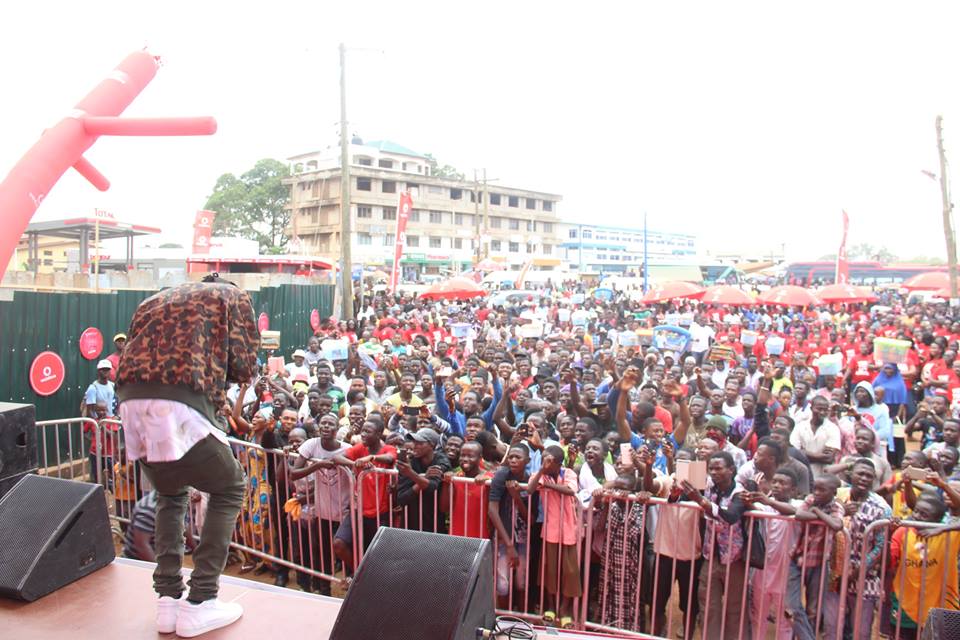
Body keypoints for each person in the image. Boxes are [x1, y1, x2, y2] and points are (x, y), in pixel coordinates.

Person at [116, 277, 257, 637]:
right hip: (181, 399)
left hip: (131, 400)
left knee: (169, 493)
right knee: (230, 486)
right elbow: (243, 361)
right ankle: (202, 599)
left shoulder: (154, 298)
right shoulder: (230, 295)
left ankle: (168, 600)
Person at [683, 451, 750, 640]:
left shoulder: (740, 492)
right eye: (711, 468)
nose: (714, 472)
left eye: (718, 468)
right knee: (708, 606)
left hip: (734, 559)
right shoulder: (709, 487)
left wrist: (701, 501)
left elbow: (731, 516)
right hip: (710, 556)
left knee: (734, 607)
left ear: (731, 470)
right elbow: (684, 492)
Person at [823, 458, 891, 640]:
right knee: (831, 628)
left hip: (864, 577)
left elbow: (880, 545)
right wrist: (842, 510)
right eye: (860, 473)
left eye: (869, 476)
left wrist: (860, 568)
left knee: (861, 632)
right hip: (834, 574)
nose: (864, 478)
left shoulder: (882, 508)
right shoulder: (837, 496)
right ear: (850, 474)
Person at [289, 413, 350, 595]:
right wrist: (318, 465)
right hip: (322, 510)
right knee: (322, 552)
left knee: (345, 549)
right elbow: (294, 472)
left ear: (337, 429)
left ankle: (352, 586)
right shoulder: (311, 444)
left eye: (330, 424)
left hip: (344, 510)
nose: (325, 427)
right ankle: (324, 589)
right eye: (323, 423)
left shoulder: (347, 449)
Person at [888, 493, 960, 638]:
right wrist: (889, 531)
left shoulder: (950, 535)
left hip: (939, 605)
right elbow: (889, 562)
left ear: (937, 520)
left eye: (924, 515)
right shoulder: (902, 531)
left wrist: (942, 529)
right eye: (916, 511)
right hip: (905, 604)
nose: (917, 516)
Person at [529, 445, 582, 629]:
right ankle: (551, 607)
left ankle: (565, 609)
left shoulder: (568, 473)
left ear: (558, 463)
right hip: (550, 529)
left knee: (570, 571)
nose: (545, 463)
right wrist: (541, 472)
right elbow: (530, 489)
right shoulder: (541, 474)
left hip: (568, 530)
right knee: (550, 570)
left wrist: (549, 485)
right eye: (543, 459)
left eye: (549, 460)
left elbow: (570, 490)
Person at [786, 475, 845, 640]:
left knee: (813, 610)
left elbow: (837, 525)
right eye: (815, 488)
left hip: (819, 563)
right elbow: (799, 514)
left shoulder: (836, 505)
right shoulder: (810, 499)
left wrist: (817, 512)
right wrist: (821, 517)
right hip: (796, 558)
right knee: (792, 606)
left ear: (833, 492)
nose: (817, 493)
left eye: (822, 490)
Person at [488, 444, 533, 611]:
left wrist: (516, 497)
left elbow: (531, 518)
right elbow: (492, 510)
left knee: (522, 583)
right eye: (511, 457)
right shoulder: (501, 475)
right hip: (502, 538)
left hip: (523, 538)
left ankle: (523, 618)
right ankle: (502, 618)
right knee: (502, 585)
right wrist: (508, 545)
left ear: (527, 461)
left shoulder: (530, 479)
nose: (513, 460)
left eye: (518, 457)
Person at [396, 427, 451, 532]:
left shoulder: (442, 461)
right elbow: (402, 498)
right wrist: (422, 477)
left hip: (433, 523)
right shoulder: (411, 461)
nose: (414, 446)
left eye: (420, 443)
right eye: (414, 442)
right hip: (410, 522)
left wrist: (411, 474)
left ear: (431, 445)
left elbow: (431, 486)